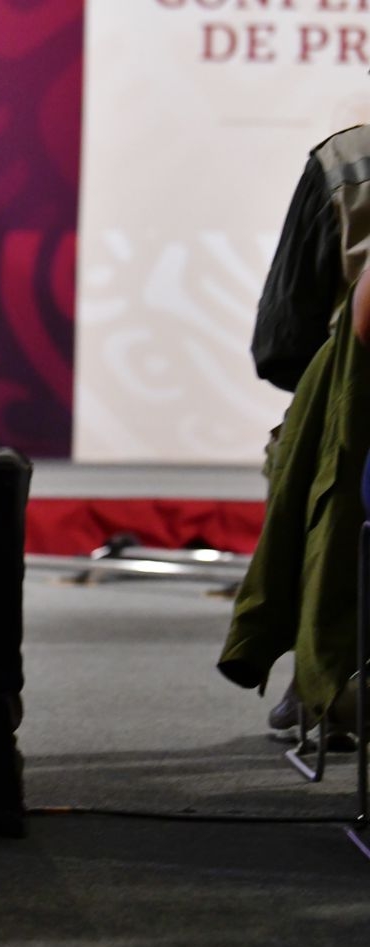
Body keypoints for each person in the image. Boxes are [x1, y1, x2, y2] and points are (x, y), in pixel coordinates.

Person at [219, 124, 370, 736]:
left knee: (305, 445)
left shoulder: (346, 159)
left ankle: (320, 667)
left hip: (358, 428)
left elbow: (283, 344)